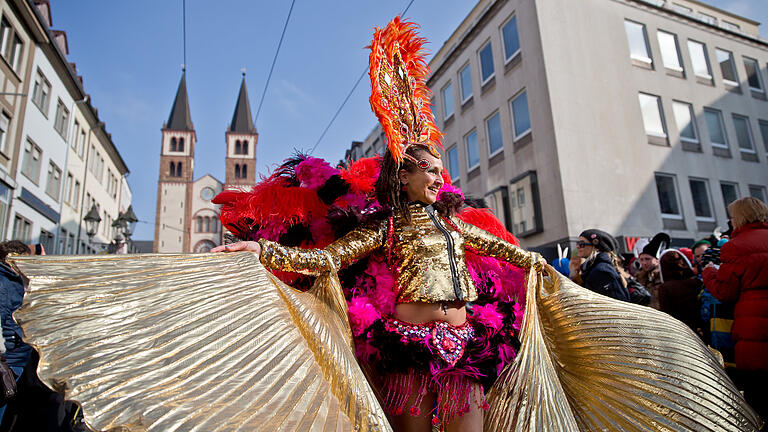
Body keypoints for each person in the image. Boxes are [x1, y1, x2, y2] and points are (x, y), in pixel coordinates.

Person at [703, 197, 768, 421]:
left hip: (755, 331)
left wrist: (710, 272)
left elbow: (725, 292)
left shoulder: (736, 247)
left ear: (739, 217)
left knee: (759, 400)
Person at [0, 241, 31, 423]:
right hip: (10, 357)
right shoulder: (6, 281)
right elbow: (5, 316)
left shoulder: (14, 280)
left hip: (16, 354)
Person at [568, 229, 629, 302]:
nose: (578, 247)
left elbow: (618, 302)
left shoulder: (601, 270)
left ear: (596, 247)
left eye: (582, 244)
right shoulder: (591, 268)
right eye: (577, 243)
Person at [657, 249, 702, 335]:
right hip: (698, 331)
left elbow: (666, 315)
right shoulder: (697, 282)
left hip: (678, 333)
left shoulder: (665, 288)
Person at [635, 232, 669, 309]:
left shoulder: (663, 275)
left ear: (657, 260)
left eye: (647, 259)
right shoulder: (638, 278)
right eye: (641, 259)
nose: (644, 263)